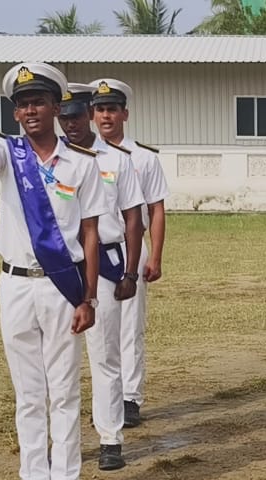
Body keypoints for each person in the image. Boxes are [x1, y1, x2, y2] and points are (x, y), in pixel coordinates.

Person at [0, 63, 109, 480]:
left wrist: (89, 297)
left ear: (56, 107)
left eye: (38, 101)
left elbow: (92, 233)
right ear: (16, 113)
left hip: (62, 286)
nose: (30, 110)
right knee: (28, 390)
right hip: (16, 284)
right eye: (22, 105)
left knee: (63, 388)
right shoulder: (9, 154)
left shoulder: (82, 165)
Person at [58, 82, 146, 471]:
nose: (70, 124)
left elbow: (133, 219)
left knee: (105, 356)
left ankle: (110, 438)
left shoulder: (116, 159)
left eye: (77, 115)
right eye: (64, 117)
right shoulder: (51, 160)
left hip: (107, 265)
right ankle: (65, 443)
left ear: (90, 114)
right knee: (59, 362)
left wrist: (130, 271)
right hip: (60, 266)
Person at [90, 78, 169, 429]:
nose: (106, 116)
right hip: (92, 251)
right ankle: (105, 397)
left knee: (129, 327)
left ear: (125, 114)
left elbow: (157, 210)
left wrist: (155, 257)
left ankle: (131, 397)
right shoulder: (82, 155)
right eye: (100, 109)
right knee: (98, 328)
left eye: (112, 109)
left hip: (128, 249)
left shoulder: (143, 158)